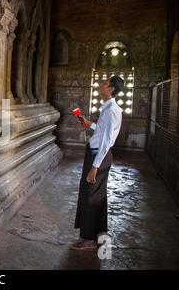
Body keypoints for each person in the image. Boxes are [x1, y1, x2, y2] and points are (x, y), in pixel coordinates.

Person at [71, 75, 124, 251]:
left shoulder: (111, 111)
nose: (101, 84)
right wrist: (89, 124)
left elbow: (107, 141)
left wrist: (94, 166)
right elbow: (102, 130)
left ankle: (89, 240)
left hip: (98, 157)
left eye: (105, 82)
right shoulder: (108, 108)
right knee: (98, 195)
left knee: (90, 195)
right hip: (98, 155)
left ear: (111, 89)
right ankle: (100, 231)